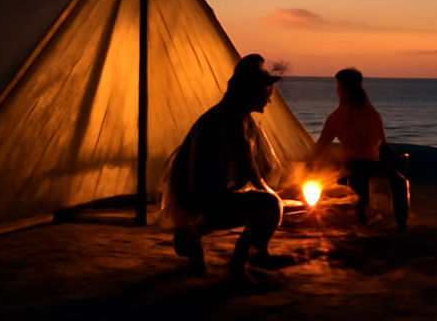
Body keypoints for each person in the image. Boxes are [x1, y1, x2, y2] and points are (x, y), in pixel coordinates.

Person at [164, 54, 291, 282]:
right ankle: (235, 265)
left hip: (214, 194)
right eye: (266, 95)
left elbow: (250, 164)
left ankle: (253, 253)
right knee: (269, 207)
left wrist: (269, 192)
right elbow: (206, 183)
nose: (269, 101)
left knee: (273, 204)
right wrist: (267, 202)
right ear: (251, 92)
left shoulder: (241, 121)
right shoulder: (218, 125)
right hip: (203, 198)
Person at [312, 68, 409, 228]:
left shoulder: (370, 114)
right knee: (359, 177)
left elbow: (381, 144)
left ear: (343, 88)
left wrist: (391, 159)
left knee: (399, 182)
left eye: (339, 86)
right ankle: (363, 220)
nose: (337, 90)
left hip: (369, 163)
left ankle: (400, 224)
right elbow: (321, 147)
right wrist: (312, 165)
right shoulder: (341, 116)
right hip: (350, 163)